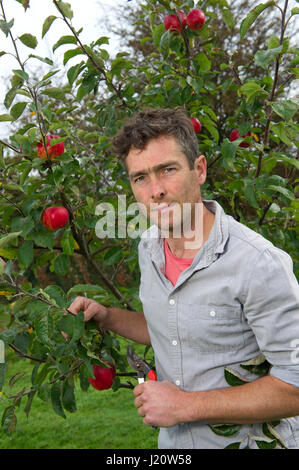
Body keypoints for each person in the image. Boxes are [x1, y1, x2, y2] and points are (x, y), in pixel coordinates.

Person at [68, 107, 299, 449]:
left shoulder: (257, 264)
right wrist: (108, 317)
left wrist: (184, 406)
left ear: (200, 169)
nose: (155, 190)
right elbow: (174, 330)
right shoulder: (149, 248)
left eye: (168, 170)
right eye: (140, 177)